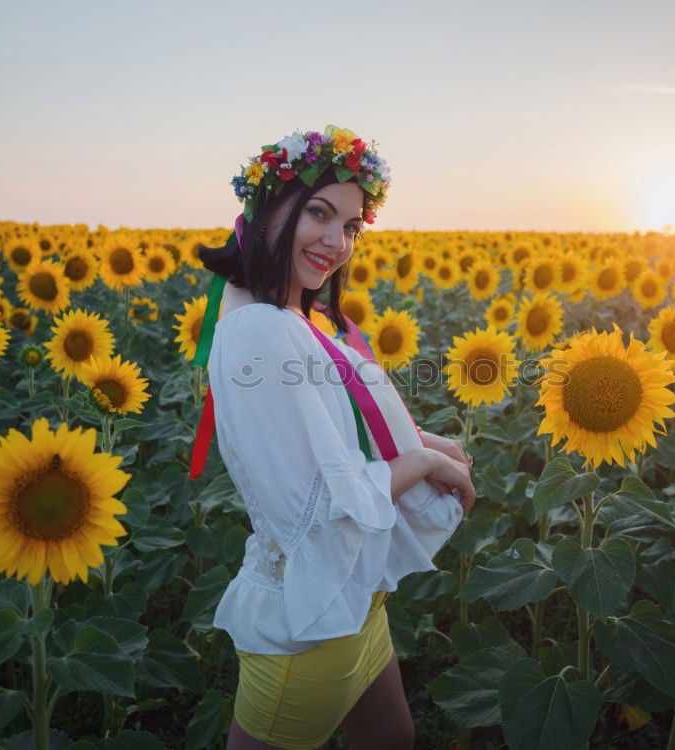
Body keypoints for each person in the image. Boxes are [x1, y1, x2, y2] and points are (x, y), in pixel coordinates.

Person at [192, 125, 476, 750]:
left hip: (353, 605)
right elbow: (319, 508)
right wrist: (423, 459)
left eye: (350, 226)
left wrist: (423, 440)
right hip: (307, 627)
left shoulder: (285, 314)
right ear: (269, 209)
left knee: (392, 738)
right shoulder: (262, 332)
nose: (336, 241)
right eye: (318, 213)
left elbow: (327, 423)